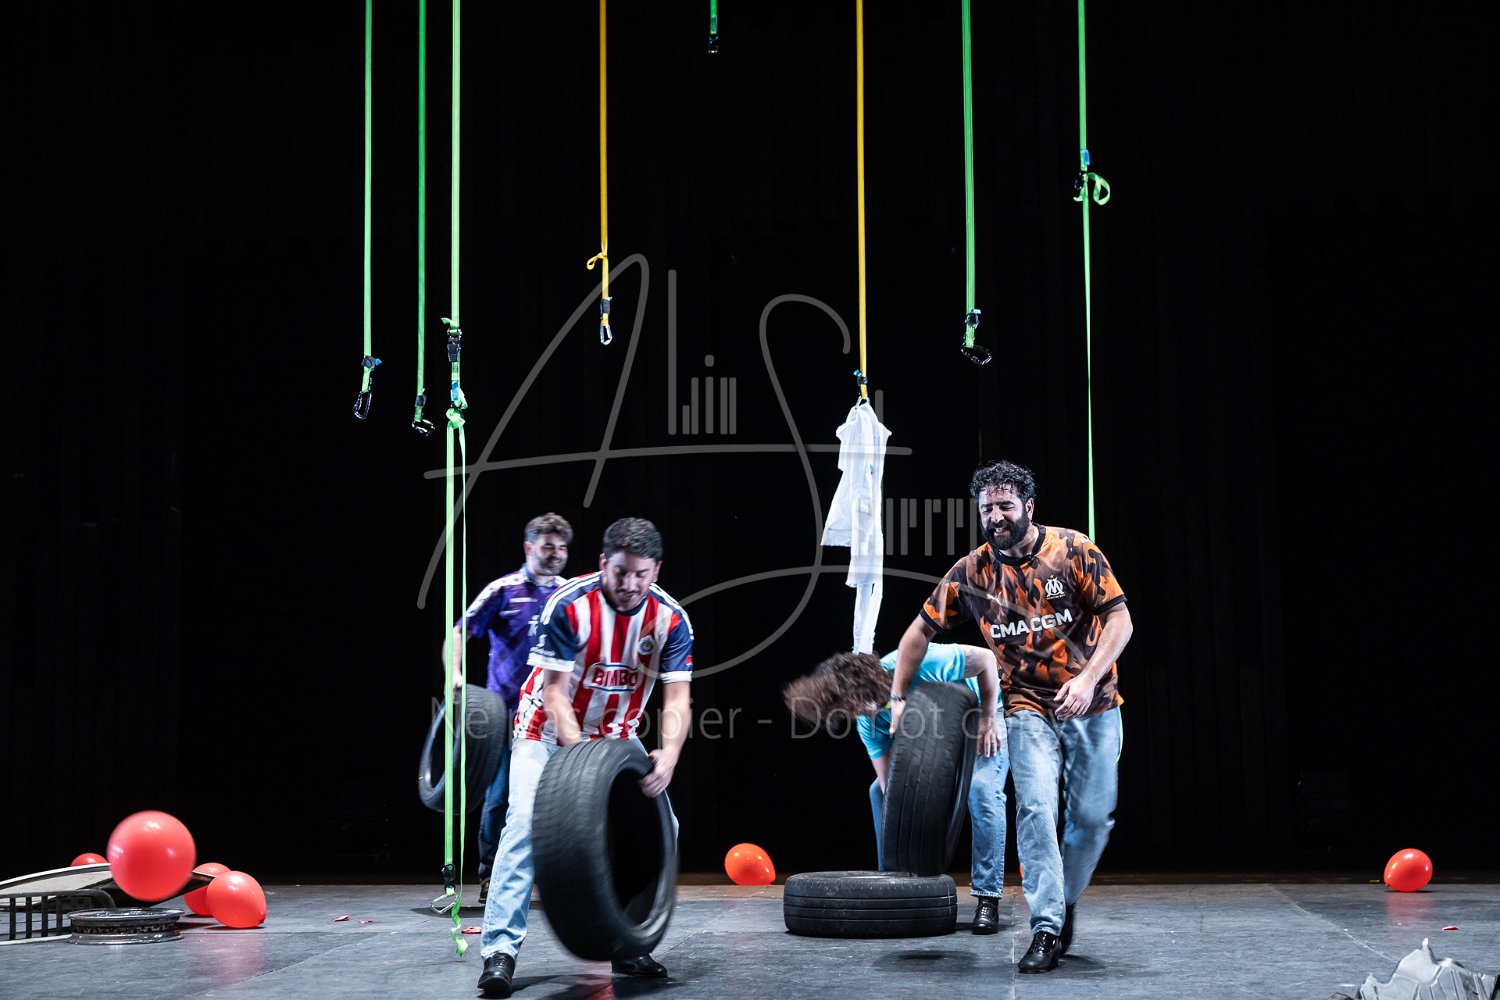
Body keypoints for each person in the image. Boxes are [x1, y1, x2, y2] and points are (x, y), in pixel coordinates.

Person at [891, 459, 1132, 974]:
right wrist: (896, 697)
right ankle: (1046, 926)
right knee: (1036, 807)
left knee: (1092, 821)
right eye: (986, 509)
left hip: (1093, 702)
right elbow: (917, 632)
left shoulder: (1073, 550)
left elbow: (1120, 620)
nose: (995, 516)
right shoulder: (972, 572)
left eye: (1004, 505)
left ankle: (1064, 899)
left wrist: (1087, 679)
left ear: (1028, 506)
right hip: (1025, 706)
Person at [477, 517, 693, 999]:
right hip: (546, 731)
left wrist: (670, 754)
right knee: (524, 822)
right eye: (620, 572)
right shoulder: (568, 605)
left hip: (617, 736)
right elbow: (554, 693)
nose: (630, 584)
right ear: (602, 564)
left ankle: (627, 943)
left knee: (665, 828)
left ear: (656, 571)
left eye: (641, 574)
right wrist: (580, 763)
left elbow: (677, 698)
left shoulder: (671, 620)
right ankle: (500, 951)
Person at [782, 642, 1008, 934]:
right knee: (877, 792)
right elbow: (890, 786)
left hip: (984, 711)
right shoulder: (868, 722)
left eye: (852, 703)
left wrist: (988, 717)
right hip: (941, 740)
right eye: (847, 711)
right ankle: (893, 884)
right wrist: (912, 828)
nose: (856, 713)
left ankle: (987, 897)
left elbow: (987, 659)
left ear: (862, 682)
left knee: (981, 790)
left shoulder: (916, 663)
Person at [448, 513, 572, 902]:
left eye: (562, 548)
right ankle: (491, 876)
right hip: (506, 715)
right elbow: (459, 631)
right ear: (529, 547)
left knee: (559, 800)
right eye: (548, 546)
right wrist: (455, 674)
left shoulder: (569, 594)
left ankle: (554, 878)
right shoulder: (502, 590)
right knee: (501, 797)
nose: (556, 554)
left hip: (555, 716)